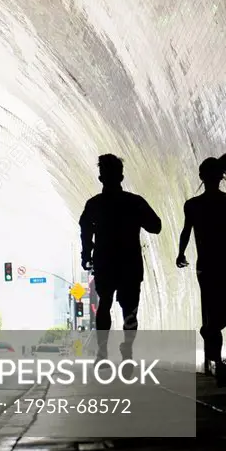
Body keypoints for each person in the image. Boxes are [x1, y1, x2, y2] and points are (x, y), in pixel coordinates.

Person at [176, 151, 226, 385]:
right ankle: (219, 363)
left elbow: (186, 232)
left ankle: (210, 339)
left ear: (202, 176)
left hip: (210, 263)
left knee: (216, 315)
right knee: (220, 313)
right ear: (220, 176)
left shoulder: (194, 205)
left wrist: (181, 253)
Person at [79, 154, 161, 359]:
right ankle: (127, 347)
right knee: (130, 311)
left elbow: (85, 230)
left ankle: (102, 351)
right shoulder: (134, 202)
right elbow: (156, 226)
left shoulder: (94, 204)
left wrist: (86, 254)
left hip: (105, 262)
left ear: (100, 179)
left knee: (104, 304)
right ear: (122, 177)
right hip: (130, 264)